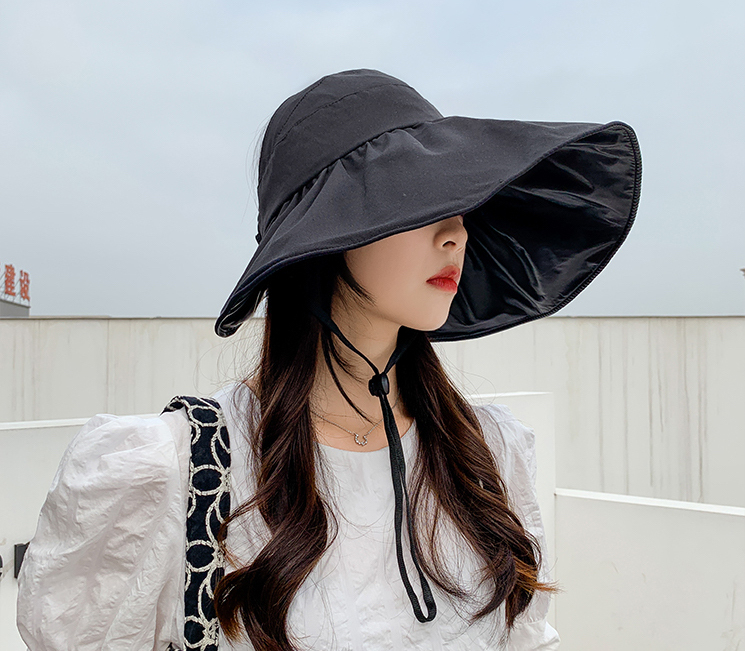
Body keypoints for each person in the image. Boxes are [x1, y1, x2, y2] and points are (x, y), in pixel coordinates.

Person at [16, 68, 642, 650]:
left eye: (458, 203)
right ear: (329, 230)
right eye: (419, 201)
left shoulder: (489, 454)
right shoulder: (182, 468)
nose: (455, 232)